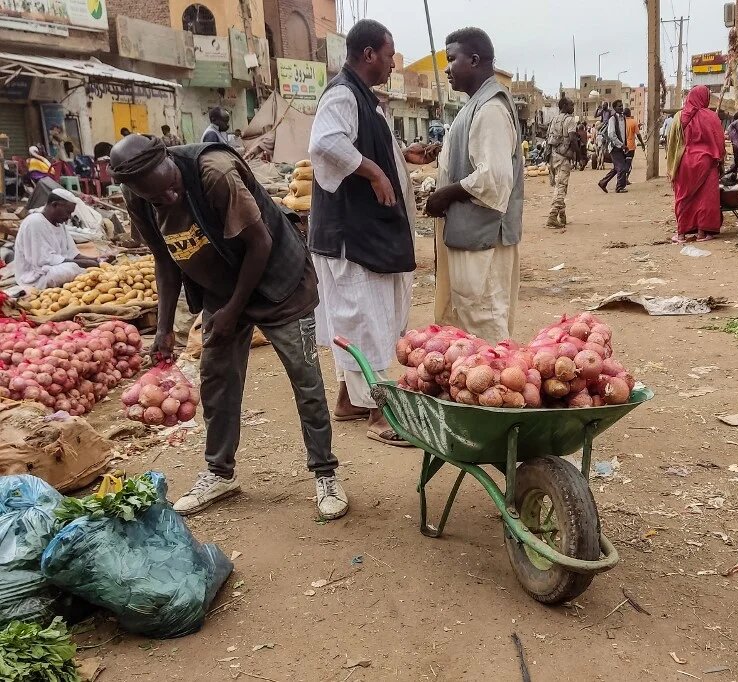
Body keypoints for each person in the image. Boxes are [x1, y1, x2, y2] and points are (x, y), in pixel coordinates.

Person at [109, 134, 347, 520]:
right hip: (221, 287)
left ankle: (325, 472)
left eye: (171, 187)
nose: (168, 199)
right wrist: (165, 327)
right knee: (217, 379)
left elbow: (260, 243)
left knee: (305, 380)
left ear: (169, 159)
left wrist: (234, 310)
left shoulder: (214, 172)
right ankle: (220, 473)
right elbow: (165, 260)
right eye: (156, 198)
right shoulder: (139, 198)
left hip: (278, 281)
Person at [309, 19, 439, 447]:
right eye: (388, 54)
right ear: (368, 55)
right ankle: (380, 414)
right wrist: (376, 173)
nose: (391, 62)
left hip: (369, 234)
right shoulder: (343, 94)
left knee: (365, 317)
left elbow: (357, 144)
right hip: (353, 237)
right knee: (363, 321)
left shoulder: (366, 99)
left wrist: (400, 157)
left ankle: (349, 399)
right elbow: (326, 143)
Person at [425, 27, 523, 343]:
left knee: (486, 331)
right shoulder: (474, 105)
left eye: (452, 59)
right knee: (468, 328)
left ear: (475, 60)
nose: (447, 68)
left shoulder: (491, 108)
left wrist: (445, 195)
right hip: (470, 240)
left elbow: (494, 178)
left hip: (484, 243)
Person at [667, 86, 726, 242]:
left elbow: (672, 142)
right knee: (705, 198)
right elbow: (720, 142)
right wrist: (721, 162)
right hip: (707, 162)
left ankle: (681, 234)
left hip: (684, 162)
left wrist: (672, 165)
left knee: (683, 197)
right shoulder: (712, 116)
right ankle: (701, 233)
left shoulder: (679, 116)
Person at [13, 189, 101, 288]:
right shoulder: (35, 222)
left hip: (56, 267)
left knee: (78, 268)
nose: (69, 217)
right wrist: (88, 264)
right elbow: (44, 260)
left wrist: (97, 259)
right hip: (36, 277)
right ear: (54, 205)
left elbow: (72, 254)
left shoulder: (60, 224)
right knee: (71, 269)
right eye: (68, 212)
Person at [545, 95, 579, 228]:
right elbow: (572, 138)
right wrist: (580, 155)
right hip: (564, 157)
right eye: (571, 105)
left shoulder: (554, 119)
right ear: (564, 106)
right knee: (561, 186)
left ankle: (562, 215)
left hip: (553, 157)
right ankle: (553, 216)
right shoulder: (570, 120)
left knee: (559, 185)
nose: (573, 107)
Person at [597, 100, 628, 193]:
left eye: (622, 106)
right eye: (619, 106)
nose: (621, 108)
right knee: (622, 167)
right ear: (614, 108)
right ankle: (619, 187)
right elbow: (611, 134)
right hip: (614, 147)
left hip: (621, 147)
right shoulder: (612, 119)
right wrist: (620, 144)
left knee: (616, 168)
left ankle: (603, 182)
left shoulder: (623, 118)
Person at [623, 107, 644, 183]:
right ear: (629, 114)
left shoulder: (621, 122)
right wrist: (642, 143)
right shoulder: (633, 122)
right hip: (630, 147)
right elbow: (638, 135)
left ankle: (622, 179)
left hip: (621, 147)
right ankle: (625, 179)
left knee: (623, 163)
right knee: (629, 164)